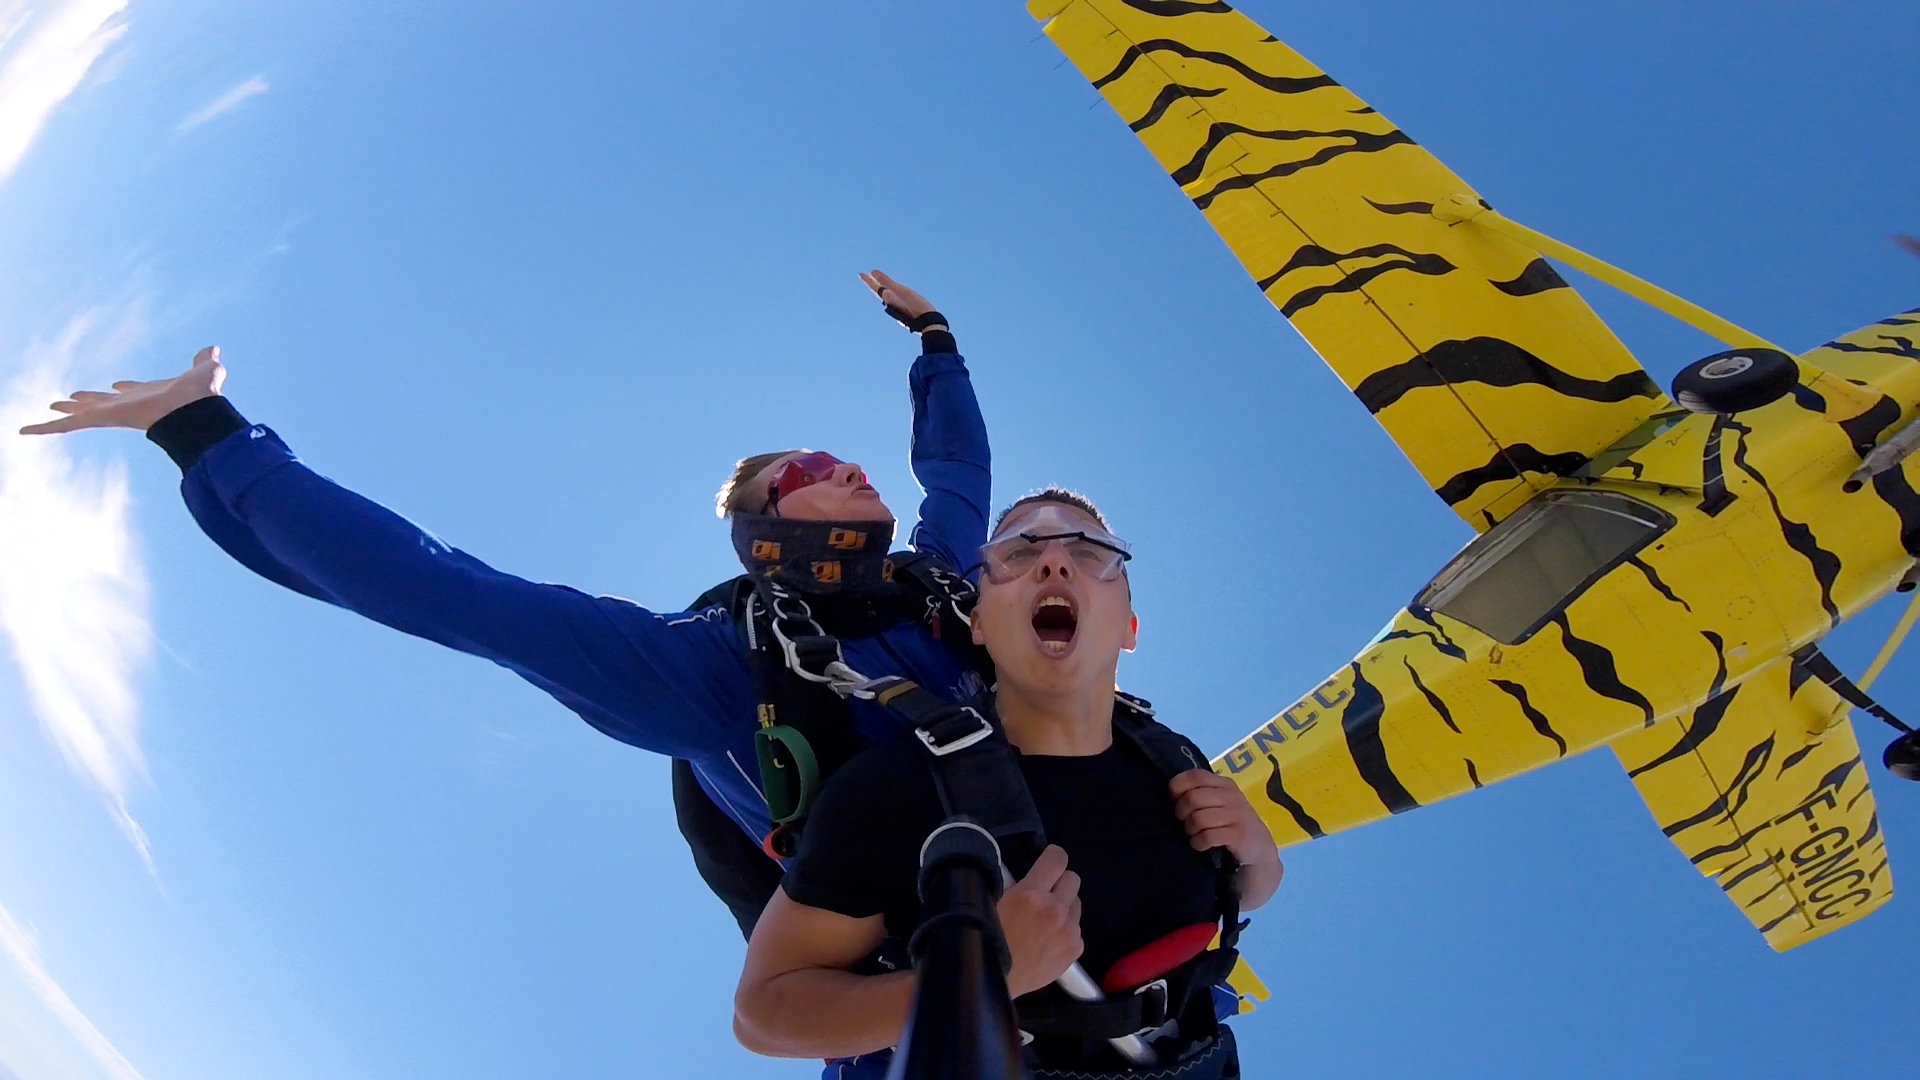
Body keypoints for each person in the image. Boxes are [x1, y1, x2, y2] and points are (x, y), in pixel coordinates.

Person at [20, 271, 991, 934]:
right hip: (936, 995)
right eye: (811, 467)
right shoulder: (711, 672)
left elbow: (955, 473)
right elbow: (449, 591)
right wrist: (204, 433)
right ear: (765, 529)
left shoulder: (934, 585)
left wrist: (934, 338)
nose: (848, 463)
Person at [734, 491, 1283, 1078]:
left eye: (1091, 550)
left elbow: (1233, 896)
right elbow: (764, 1014)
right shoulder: (898, 790)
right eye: (1017, 554)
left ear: (1128, 626)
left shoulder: (1174, 759)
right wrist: (982, 979)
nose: (1054, 562)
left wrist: (1258, 855)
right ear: (981, 624)